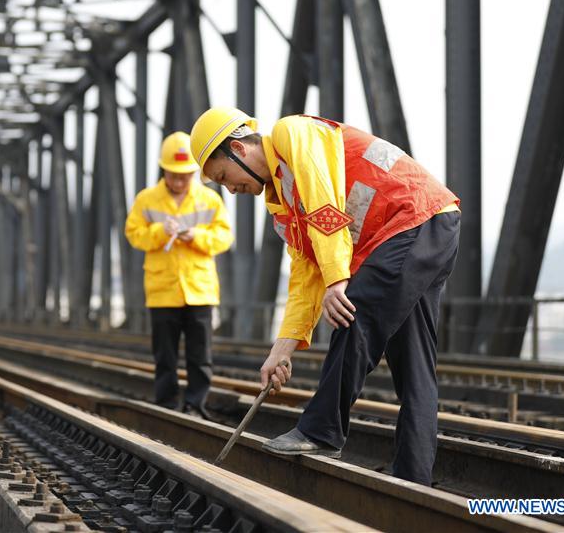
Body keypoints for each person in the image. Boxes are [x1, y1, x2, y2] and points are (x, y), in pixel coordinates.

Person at [189, 108, 459, 485]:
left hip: (412, 215)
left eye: (223, 177)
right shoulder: (282, 205)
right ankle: (414, 480)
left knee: (353, 314)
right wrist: (281, 349)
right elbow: (304, 275)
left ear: (238, 149)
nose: (230, 189)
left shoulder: (289, 134)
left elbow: (322, 197)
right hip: (426, 224)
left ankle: (321, 432)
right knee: (415, 370)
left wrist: (337, 280)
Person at [125, 131, 234, 418]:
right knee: (165, 356)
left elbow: (224, 238)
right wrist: (161, 232)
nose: (179, 181)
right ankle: (167, 405)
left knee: (200, 356)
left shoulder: (209, 200)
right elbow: (134, 235)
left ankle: (195, 405)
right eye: (174, 174)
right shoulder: (147, 200)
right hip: (163, 290)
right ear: (164, 170)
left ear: (195, 172)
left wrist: (195, 236)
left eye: (185, 175)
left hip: (199, 289)